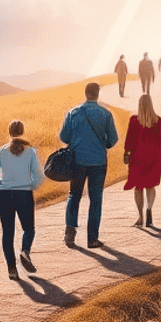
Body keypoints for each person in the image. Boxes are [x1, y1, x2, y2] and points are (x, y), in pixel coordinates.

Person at [59, 82, 119, 248]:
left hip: (77, 160)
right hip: (98, 161)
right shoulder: (106, 114)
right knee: (96, 199)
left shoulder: (73, 113)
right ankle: (92, 238)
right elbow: (113, 139)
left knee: (74, 195)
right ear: (97, 94)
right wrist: (102, 145)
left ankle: (70, 234)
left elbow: (64, 137)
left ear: (85, 94)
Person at [0, 119, 45, 280]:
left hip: (5, 195)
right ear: (22, 131)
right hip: (24, 194)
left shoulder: (1, 151)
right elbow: (39, 175)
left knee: (8, 233)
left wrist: (1, 185)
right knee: (29, 229)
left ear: (9, 132)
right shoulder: (30, 151)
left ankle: (12, 269)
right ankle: (25, 251)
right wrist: (30, 186)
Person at [123, 94, 161, 228]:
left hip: (137, 157)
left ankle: (140, 216)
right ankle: (149, 211)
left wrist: (126, 152)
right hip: (153, 157)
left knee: (138, 187)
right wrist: (160, 157)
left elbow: (129, 139)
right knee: (150, 185)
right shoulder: (157, 120)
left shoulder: (134, 120)